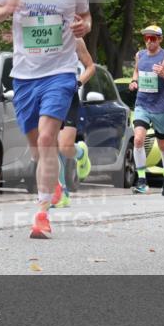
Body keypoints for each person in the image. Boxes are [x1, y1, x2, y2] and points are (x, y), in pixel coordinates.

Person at [0, 0, 91, 239]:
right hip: (24, 75)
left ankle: (42, 213)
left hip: (59, 71)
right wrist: (5, 11)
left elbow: (86, 16)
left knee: (48, 139)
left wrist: (83, 26)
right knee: (37, 148)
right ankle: (54, 183)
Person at [128, 25, 164, 196]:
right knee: (138, 139)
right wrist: (133, 81)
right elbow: (136, 71)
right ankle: (142, 180)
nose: (149, 42)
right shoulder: (140, 55)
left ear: (160, 39)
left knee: (162, 144)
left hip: (160, 107)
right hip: (142, 104)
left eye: (153, 38)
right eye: (146, 38)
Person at [53, 38, 94, 208]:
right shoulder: (41, 37)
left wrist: (78, 82)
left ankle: (81, 153)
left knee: (64, 146)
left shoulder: (76, 40)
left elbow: (90, 67)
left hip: (68, 96)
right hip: (47, 95)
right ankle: (62, 193)